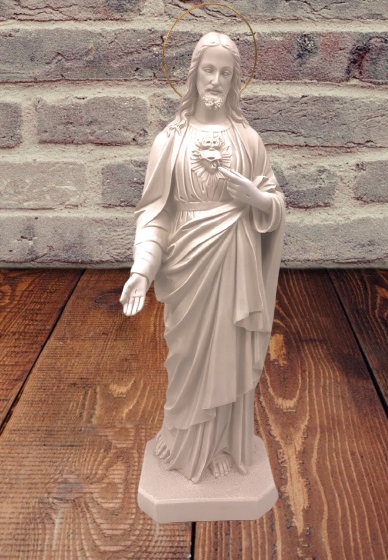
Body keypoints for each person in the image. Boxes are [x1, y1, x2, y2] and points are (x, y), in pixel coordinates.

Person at [120, 31, 285, 483]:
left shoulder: (248, 139)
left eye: (225, 73)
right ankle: (184, 444)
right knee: (188, 359)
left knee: (228, 354)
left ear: (235, 80)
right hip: (187, 267)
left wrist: (255, 197)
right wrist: (142, 269)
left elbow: (275, 204)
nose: (216, 80)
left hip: (235, 262)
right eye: (209, 70)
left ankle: (224, 446)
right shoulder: (169, 141)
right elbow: (155, 213)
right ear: (193, 74)